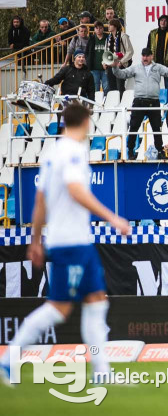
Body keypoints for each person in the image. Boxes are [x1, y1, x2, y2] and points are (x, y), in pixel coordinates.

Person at [0, 103, 130, 385]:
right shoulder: (73, 151)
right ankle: (9, 358)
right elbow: (75, 190)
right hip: (72, 242)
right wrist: (112, 218)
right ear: (84, 122)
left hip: (71, 240)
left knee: (97, 302)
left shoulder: (53, 153)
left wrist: (35, 240)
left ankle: (102, 372)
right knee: (59, 308)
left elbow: (39, 201)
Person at [108, 48, 168, 160]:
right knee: (133, 127)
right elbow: (122, 74)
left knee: (156, 128)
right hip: (139, 101)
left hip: (154, 101)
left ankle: (159, 150)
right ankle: (130, 150)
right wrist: (114, 66)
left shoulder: (158, 67)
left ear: (152, 56)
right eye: (143, 55)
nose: (145, 58)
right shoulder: (136, 67)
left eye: (147, 55)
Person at [147, 14, 168, 90]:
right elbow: (148, 47)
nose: (163, 22)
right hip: (154, 63)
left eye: (165, 21)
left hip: (167, 64)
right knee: (153, 85)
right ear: (159, 22)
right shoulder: (153, 33)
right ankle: (154, 100)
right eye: (161, 20)